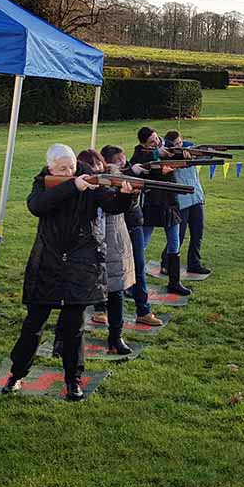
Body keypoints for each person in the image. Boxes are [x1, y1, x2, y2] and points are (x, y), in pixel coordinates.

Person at [1, 144, 134, 401]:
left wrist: (127, 196)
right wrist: (72, 186)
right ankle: (16, 375)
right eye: (62, 169)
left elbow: (112, 204)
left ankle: (74, 381)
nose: (69, 171)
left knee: (75, 329)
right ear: (50, 168)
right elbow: (37, 206)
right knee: (33, 327)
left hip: (81, 265)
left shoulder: (90, 181)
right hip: (48, 264)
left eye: (71, 167)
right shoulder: (43, 183)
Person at [78, 149, 136, 355]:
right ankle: (64, 339)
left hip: (113, 244)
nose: (96, 168)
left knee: (116, 293)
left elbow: (120, 207)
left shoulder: (115, 179)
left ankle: (116, 337)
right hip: (86, 247)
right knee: (76, 298)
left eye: (98, 164)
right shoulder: (77, 186)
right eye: (89, 165)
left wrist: (129, 195)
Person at [103, 146, 163, 328]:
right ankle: (100, 310)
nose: (123, 161)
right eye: (118, 160)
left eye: (123, 158)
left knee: (138, 268)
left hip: (134, 225)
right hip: (117, 230)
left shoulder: (129, 173)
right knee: (108, 271)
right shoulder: (107, 180)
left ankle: (143, 311)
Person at [130, 127, 191, 297]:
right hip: (152, 202)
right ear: (143, 143)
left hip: (170, 202)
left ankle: (175, 282)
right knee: (142, 244)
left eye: (156, 138)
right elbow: (138, 163)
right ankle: (132, 282)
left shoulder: (168, 146)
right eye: (151, 142)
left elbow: (180, 153)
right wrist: (158, 159)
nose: (156, 142)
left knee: (174, 243)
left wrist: (185, 154)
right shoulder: (140, 153)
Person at [163, 131, 210, 276]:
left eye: (180, 142)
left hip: (196, 197)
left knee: (197, 233)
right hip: (181, 201)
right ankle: (166, 263)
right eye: (175, 144)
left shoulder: (190, 150)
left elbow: (205, 157)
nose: (179, 146)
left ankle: (194, 263)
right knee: (179, 236)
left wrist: (209, 152)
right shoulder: (168, 157)